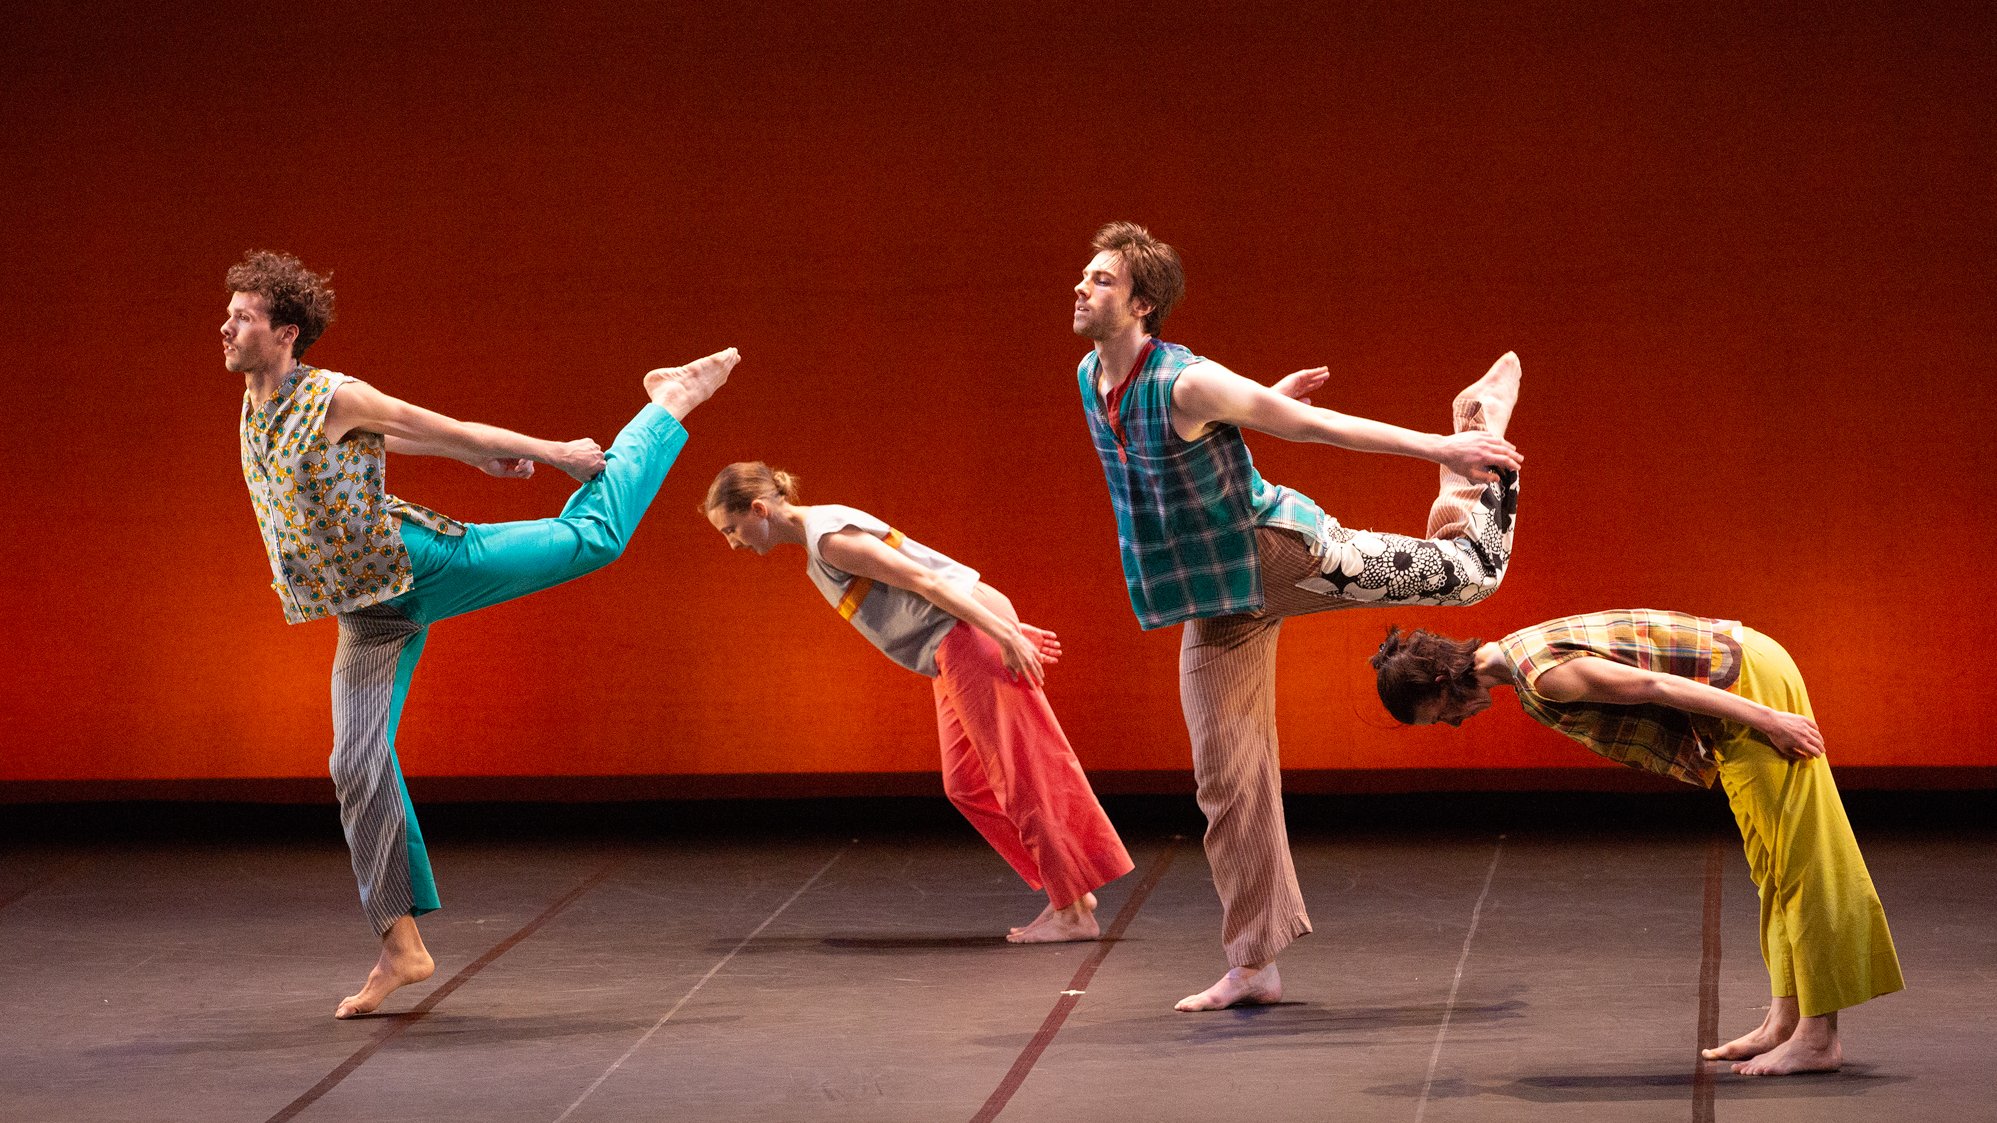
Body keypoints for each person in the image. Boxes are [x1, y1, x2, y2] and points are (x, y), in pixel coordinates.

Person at [227, 250, 738, 1018]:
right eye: (229, 311)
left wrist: (545, 452)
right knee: (354, 761)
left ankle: (665, 405)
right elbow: (392, 442)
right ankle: (402, 946)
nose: (226, 324)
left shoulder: (334, 394)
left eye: (243, 315)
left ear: (285, 332)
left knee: (591, 538)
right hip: (370, 612)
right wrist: (479, 456)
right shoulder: (256, 404)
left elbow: (429, 424)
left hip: (419, 567)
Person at [1070, 221, 1524, 1011]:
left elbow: (1319, 429)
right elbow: (1173, 456)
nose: (1081, 286)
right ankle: (1255, 962)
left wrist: (1438, 449)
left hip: (1281, 556)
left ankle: (1476, 430)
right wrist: (1259, 404)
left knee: (1469, 578)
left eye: (1102, 280)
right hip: (1217, 597)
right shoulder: (1090, 374)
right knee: (1225, 772)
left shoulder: (1186, 381)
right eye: (1085, 275)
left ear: (1142, 304)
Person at [1370, 610, 1903, 1075]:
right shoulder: (1519, 654)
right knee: (1772, 865)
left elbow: (1654, 687)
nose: (1454, 724)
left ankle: (1818, 1038)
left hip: (1745, 687)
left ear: (1443, 680)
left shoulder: (1543, 675)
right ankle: (1785, 1021)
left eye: (1440, 714)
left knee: (1802, 860)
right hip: (1737, 687)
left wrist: (1771, 719)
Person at [703, 462, 1135, 941]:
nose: (733, 542)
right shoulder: (819, 543)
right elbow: (930, 575)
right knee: (967, 785)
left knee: (1018, 775)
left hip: (963, 635)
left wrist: (1001, 633)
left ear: (759, 509)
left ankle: (1073, 912)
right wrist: (999, 625)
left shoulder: (830, 539)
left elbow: (927, 582)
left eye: (731, 528)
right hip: (956, 640)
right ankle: (1071, 888)